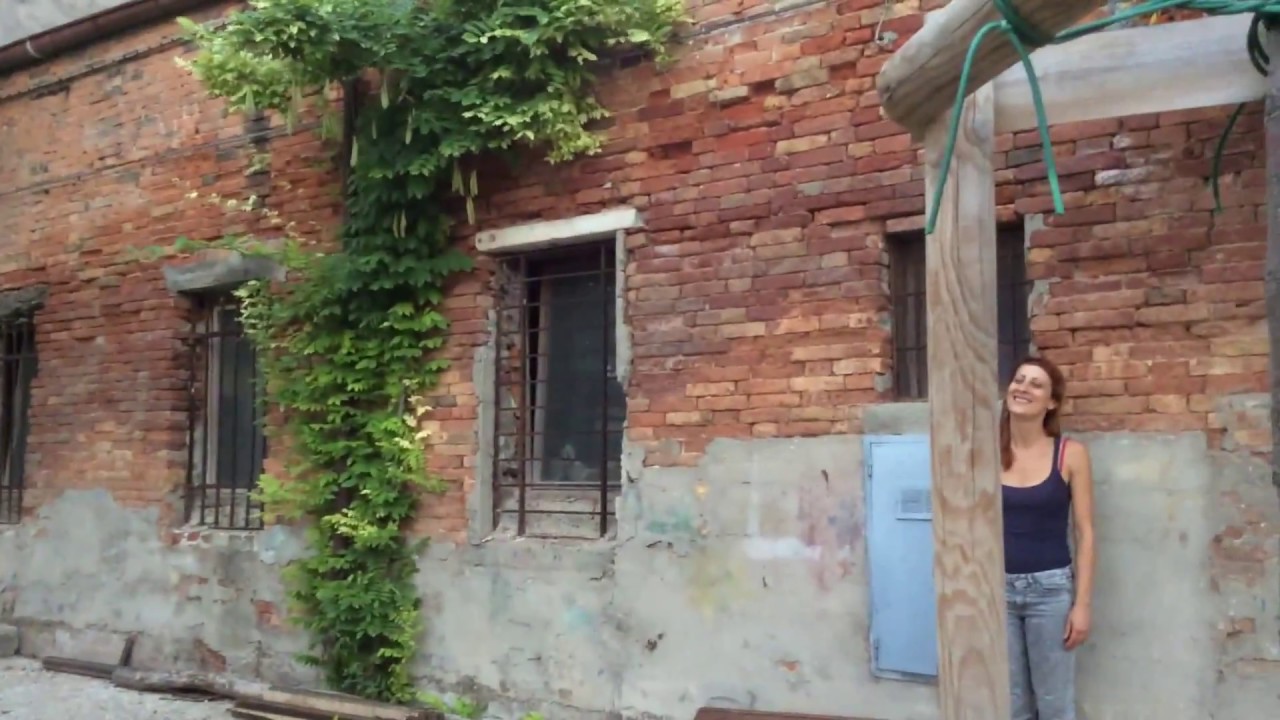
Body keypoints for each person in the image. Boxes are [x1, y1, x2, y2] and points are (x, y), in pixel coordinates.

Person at [1001, 356, 1096, 720]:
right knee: (1012, 704)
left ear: (1052, 402)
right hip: (996, 591)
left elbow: (1085, 532)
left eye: (1035, 384)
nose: (1023, 387)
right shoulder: (985, 451)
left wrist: (1081, 605)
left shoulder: (1070, 454)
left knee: (1055, 704)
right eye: (1019, 379)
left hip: (1050, 592)